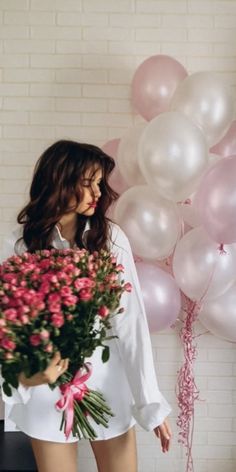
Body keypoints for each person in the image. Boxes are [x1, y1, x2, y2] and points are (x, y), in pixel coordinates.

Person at [0, 140, 172, 472]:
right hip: (47, 392)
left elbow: (130, 325)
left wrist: (151, 404)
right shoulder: (18, 244)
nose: (97, 192)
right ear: (60, 182)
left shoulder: (111, 240)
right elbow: (10, 327)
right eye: (87, 183)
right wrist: (29, 374)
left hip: (107, 386)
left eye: (98, 183)